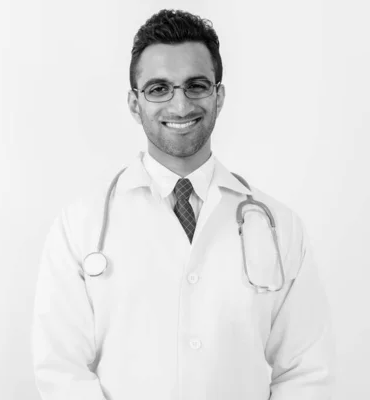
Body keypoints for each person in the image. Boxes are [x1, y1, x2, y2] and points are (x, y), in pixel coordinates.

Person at [31, 9, 335, 400]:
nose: (179, 106)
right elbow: (61, 369)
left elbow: (307, 370)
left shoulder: (281, 226)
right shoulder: (79, 226)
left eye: (196, 86)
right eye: (159, 88)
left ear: (219, 96)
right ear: (133, 103)